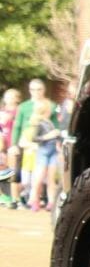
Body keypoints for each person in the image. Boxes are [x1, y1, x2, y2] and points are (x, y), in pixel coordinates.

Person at [13, 79, 60, 213]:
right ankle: (26, 199)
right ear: (29, 90)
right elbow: (17, 126)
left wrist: (57, 139)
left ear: (43, 90)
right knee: (31, 177)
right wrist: (14, 144)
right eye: (33, 89)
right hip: (30, 145)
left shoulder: (52, 105)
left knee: (49, 178)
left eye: (39, 89)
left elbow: (56, 125)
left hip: (48, 147)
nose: (36, 92)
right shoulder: (24, 106)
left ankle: (50, 202)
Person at [1, 87, 19, 208]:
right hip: (2, 144)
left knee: (12, 171)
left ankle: (14, 198)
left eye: (11, 97)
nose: (8, 99)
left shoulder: (17, 112)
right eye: (7, 97)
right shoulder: (2, 111)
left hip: (12, 145)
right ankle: (4, 196)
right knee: (2, 170)